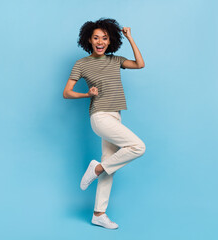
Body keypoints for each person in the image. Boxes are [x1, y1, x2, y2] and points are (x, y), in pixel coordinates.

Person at [63, 18, 146, 229]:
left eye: (105, 38)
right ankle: (98, 168)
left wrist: (130, 37)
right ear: (89, 40)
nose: (100, 41)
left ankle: (99, 213)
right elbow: (66, 92)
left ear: (110, 41)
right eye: (96, 37)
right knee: (137, 147)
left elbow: (140, 64)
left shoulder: (115, 60)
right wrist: (86, 94)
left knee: (111, 166)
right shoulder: (81, 64)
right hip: (99, 116)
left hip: (115, 115)